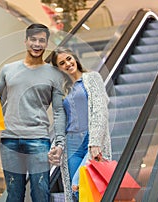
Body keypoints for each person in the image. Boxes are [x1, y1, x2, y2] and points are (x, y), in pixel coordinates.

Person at [0, 24, 66, 202]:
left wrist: (60, 143)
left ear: (46, 43)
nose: (37, 44)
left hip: (39, 139)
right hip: (9, 139)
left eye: (42, 40)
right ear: (25, 41)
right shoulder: (8, 69)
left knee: (41, 193)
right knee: (14, 194)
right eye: (33, 39)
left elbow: (58, 111)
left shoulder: (55, 74)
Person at [48, 47, 112, 201]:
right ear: (58, 69)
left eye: (69, 58)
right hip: (72, 144)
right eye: (62, 63)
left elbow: (100, 109)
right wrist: (55, 146)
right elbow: (60, 121)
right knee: (75, 192)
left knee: (80, 184)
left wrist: (96, 140)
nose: (68, 64)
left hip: (92, 140)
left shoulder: (92, 78)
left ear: (74, 58)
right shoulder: (61, 91)